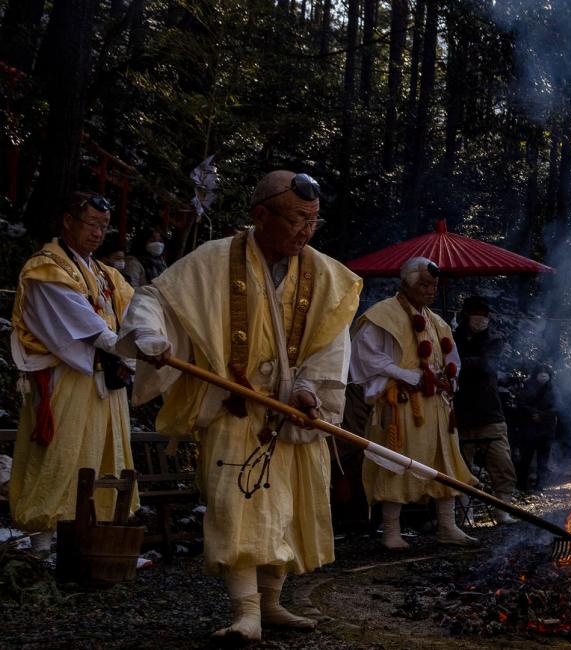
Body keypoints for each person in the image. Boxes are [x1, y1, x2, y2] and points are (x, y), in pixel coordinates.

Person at [118, 170, 362, 643]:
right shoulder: (213, 260)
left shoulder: (327, 275)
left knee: (288, 509)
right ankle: (245, 611)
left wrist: (309, 391)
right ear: (259, 215)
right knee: (238, 506)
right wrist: (150, 334)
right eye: (296, 219)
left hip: (294, 416)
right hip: (236, 410)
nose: (305, 231)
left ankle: (272, 604)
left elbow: (333, 344)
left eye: (313, 220)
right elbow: (156, 298)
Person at [9, 192, 136, 557]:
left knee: (101, 456)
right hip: (66, 377)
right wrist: (123, 346)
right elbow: (82, 325)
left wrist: (144, 341)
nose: (98, 233)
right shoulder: (46, 268)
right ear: (67, 221)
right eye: (91, 223)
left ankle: (92, 541)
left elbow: (135, 311)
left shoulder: (106, 273)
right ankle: (43, 545)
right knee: (59, 456)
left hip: (105, 378)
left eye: (103, 226)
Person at [349, 257, 480, 549]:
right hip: (402, 406)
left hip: (438, 408)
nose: (430, 290)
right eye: (423, 284)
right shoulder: (383, 315)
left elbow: (452, 362)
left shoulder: (439, 323)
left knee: (445, 464)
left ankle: (448, 526)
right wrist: (404, 374)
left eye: (433, 285)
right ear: (405, 283)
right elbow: (367, 357)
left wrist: (451, 381)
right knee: (397, 464)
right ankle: (391, 532)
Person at [453, 295, 518, 524]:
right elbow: (451, 364)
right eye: (477, 314)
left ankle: (503, 509)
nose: (482, 319)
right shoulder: (452, 338)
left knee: (502, 465)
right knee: (459, 468)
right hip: (460, 414)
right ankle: (464, 512)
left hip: (490, 412)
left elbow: (484, 365)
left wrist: (460, 363)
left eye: (485, 315)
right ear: (466, 315)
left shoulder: (493, 339)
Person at [514, 363, 558, 492]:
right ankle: (522, 485)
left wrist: (543, 416)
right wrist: (533, 413)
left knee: (543, 461)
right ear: (536, 374)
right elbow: (520, 404)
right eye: (541, 373)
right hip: (528, 429)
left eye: (546, 373)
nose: (543, 375)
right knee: (525, 459)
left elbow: (557, 407)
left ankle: (540, 485)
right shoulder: (528, 387)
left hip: (546, 430)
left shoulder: (553, 389)